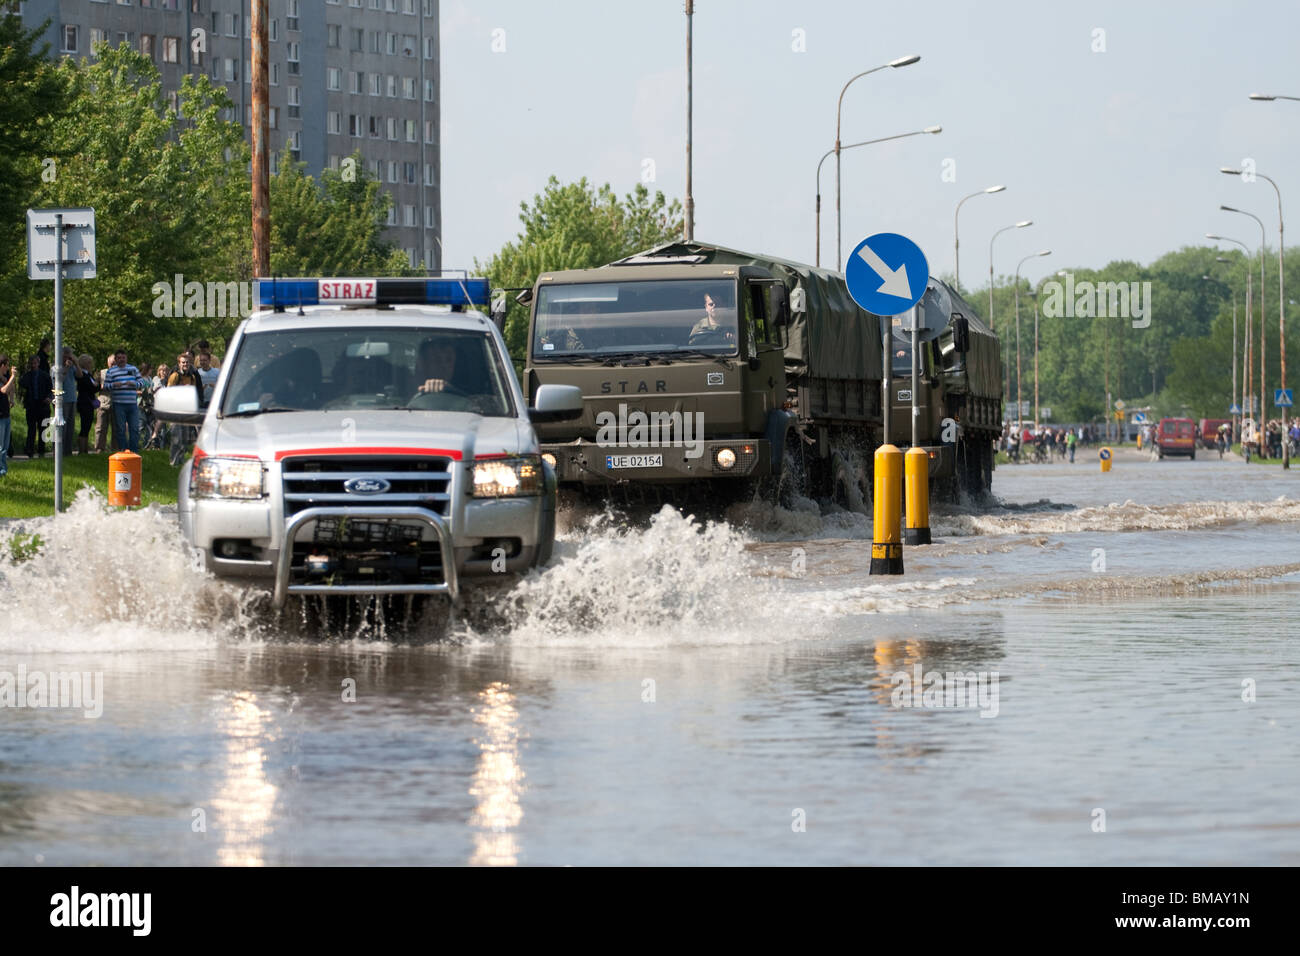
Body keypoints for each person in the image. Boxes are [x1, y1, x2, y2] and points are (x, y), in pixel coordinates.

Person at [103, 348, 150, 453]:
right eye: (119, 358)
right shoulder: (111, 371)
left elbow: (143, 383)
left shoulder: (133, 369)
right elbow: (106, 386)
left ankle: (133, 451)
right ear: (115, 359)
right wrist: (114, 385)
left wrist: (134, 384)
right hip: (118, 403)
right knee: (120, 429)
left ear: (126, 358)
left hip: (132, 404)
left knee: (134, 428)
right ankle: (123, 450)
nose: (121, 360)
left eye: (123, 357)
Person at [167, 352, 202, 466]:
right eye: (183, 362)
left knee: (184, 439)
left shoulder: (192, 377)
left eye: (187, 362)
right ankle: (173, 463)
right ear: (179, 364)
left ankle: (180, 462)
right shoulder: (175, 376)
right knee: (176, 437)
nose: (185, 364)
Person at [19, 354, 52, 458]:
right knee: (31, 428)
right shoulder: (27, 375)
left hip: (43, 405)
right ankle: (30, 450)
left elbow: (50, 389)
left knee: (42, 428)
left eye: (35, 363)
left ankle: (41, 450)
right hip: (31, 405)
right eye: (32, 363)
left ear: (38, 363)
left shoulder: (45, 375)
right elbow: (22, 383)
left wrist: (49, 398)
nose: (33, 366)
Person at [92, 352, 117, 453]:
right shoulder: (101, 373)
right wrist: (103, 386)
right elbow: (94, 387)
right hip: (103, 405)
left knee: (117, 429)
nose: (113, 366)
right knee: (100, 428)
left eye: (115, 364)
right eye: (112, 364)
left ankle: (116, 450)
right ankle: (99, 449)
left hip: (117, 404)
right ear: (108, 363)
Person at [74, 354, 98, 456]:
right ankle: (81, 450)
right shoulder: (82, 375)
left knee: (87, 425)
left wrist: (97, 384)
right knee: (84, 425)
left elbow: (95, 387)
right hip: (84, 402)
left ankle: (85, 449)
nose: (91, 365)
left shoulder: (89, 374)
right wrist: (96, 385)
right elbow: (90, 387)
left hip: (89, 402)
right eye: (89, 363)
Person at [0, 355, 15, 476]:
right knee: (0, 447)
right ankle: (1, 470)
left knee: (5, 446)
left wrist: (12, 399)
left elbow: (11, 388)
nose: (8, 368)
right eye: (7, 365)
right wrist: (13, 377)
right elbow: (4, 390)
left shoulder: (4, 377)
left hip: (6, 415)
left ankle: (3, 471)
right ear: (2, 365)